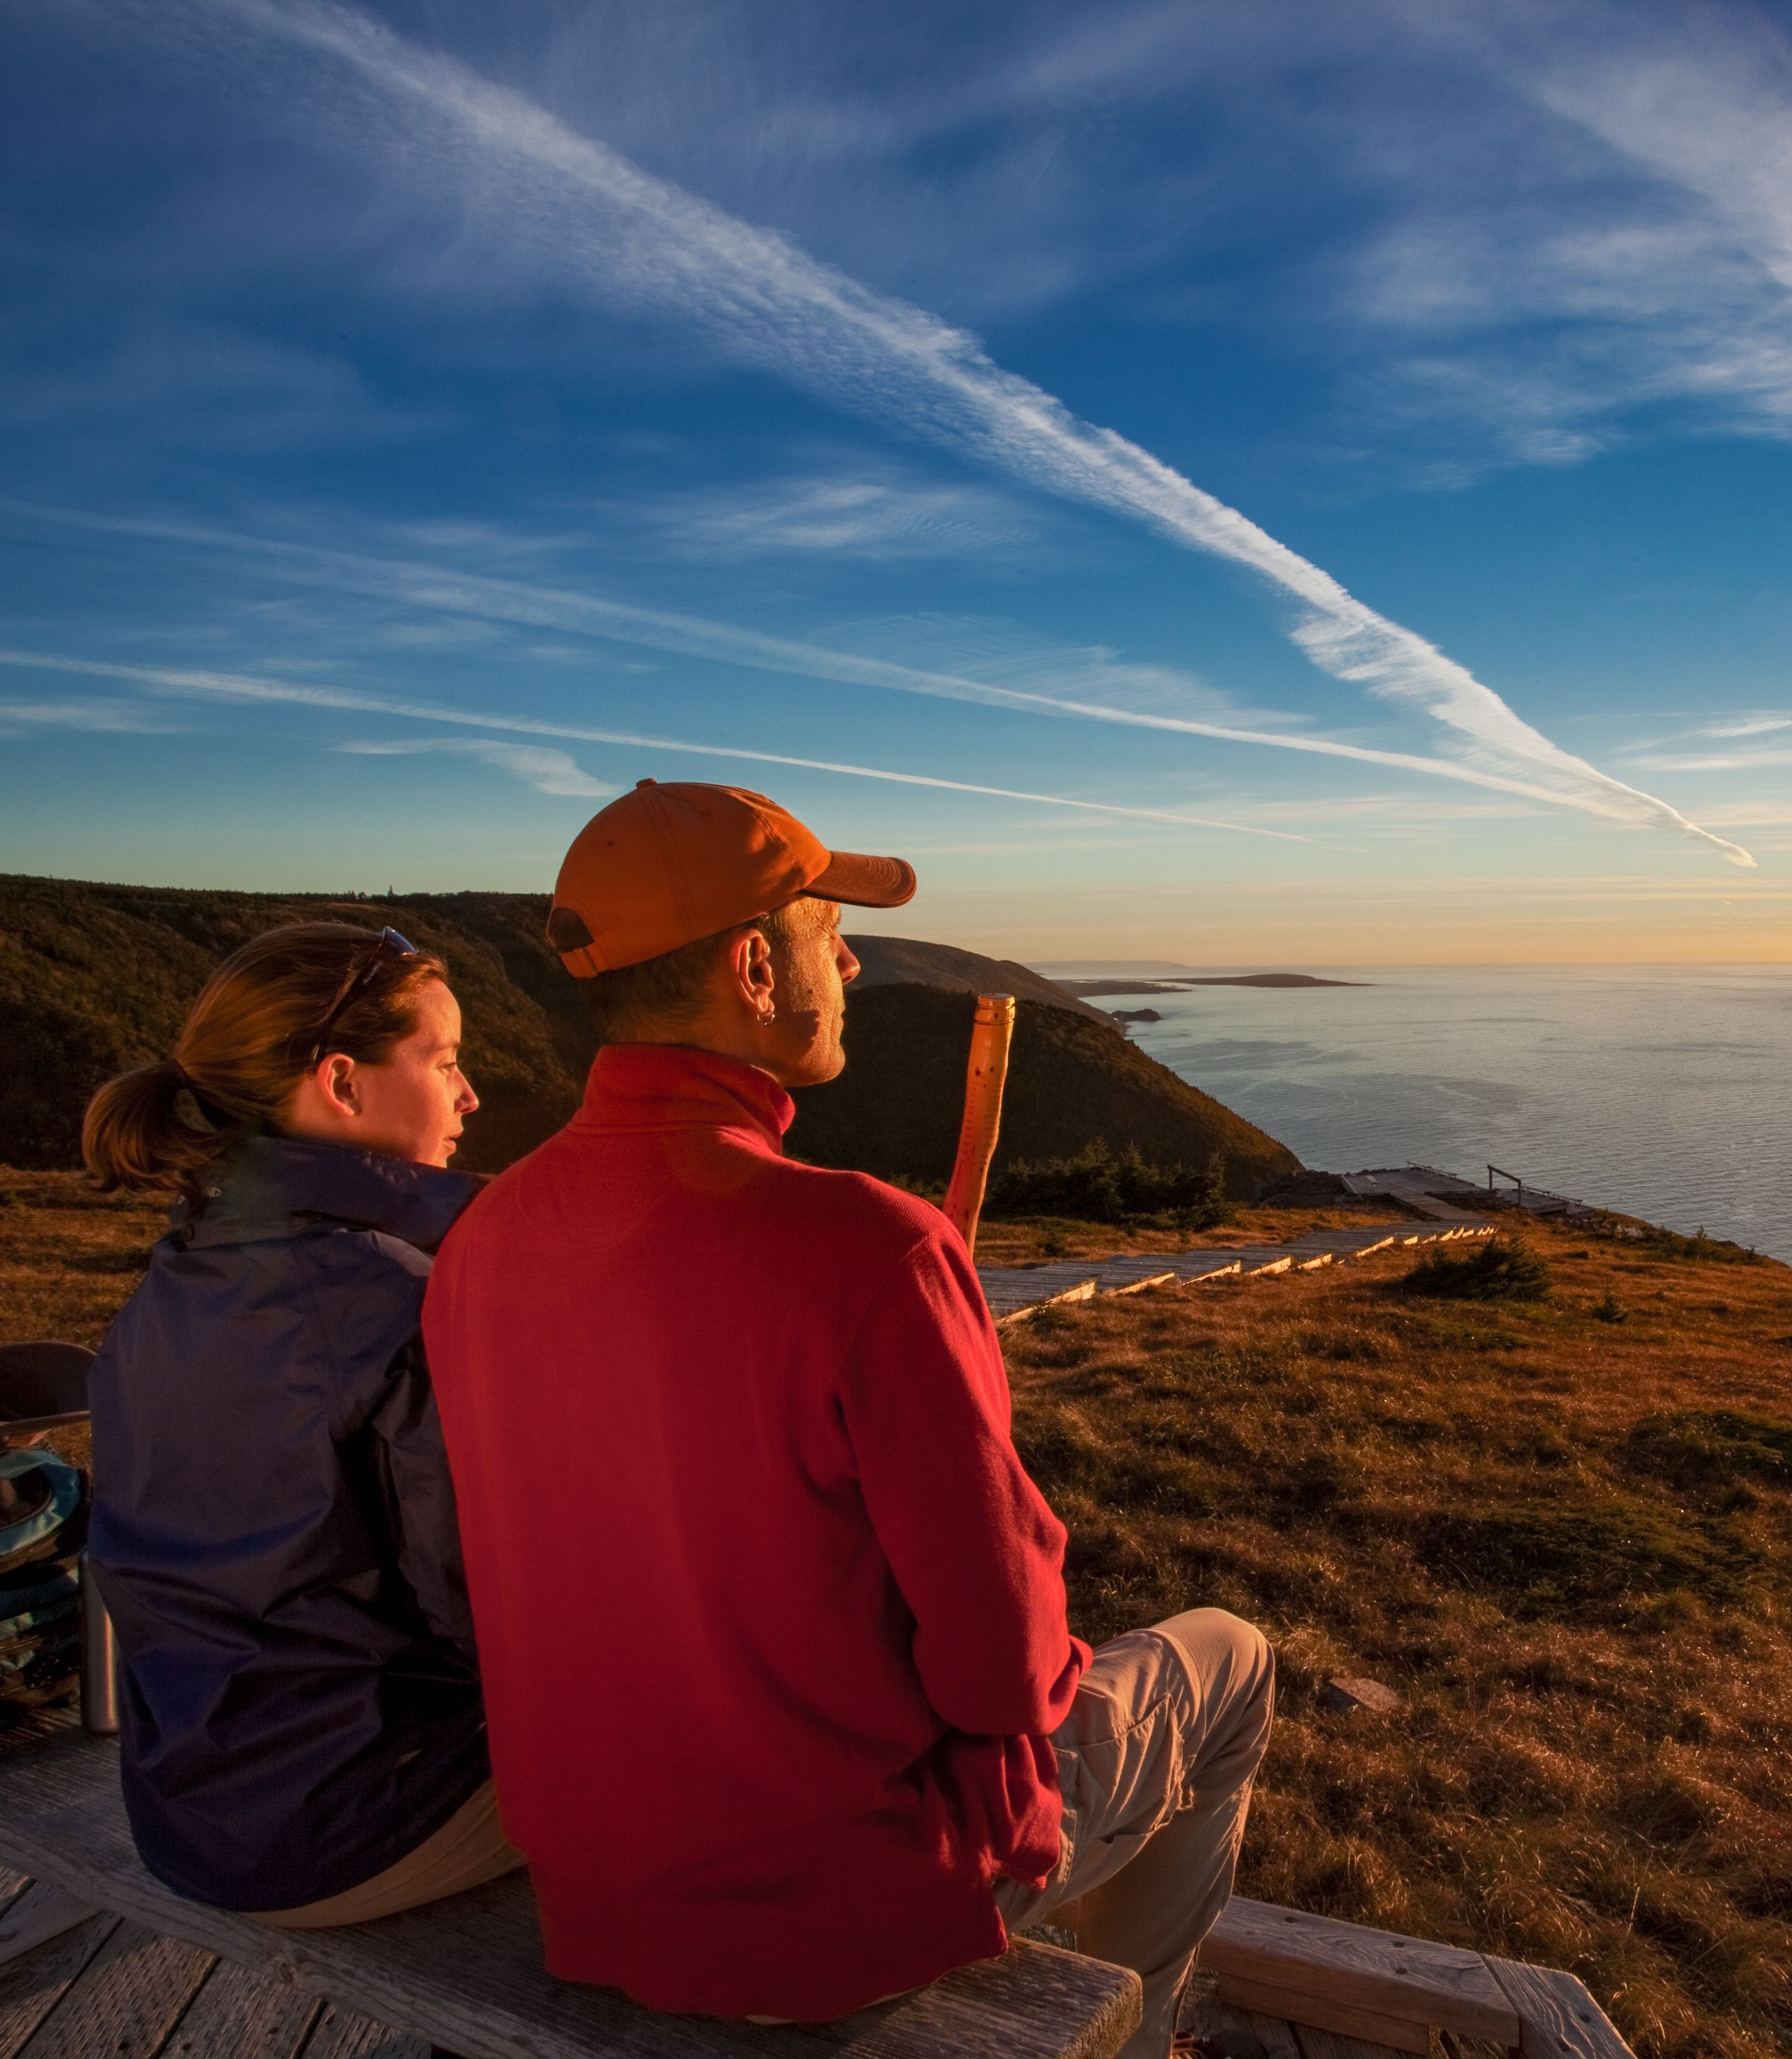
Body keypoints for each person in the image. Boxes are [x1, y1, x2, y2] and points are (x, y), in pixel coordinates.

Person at [423, 781, 1273, 2054]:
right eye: (833, 933)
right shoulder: (866, 1248)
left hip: (596, 1892)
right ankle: (1137, 2034)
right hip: (836, 1914)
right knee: (1228, 1659)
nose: (856, 958)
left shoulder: (478, 1241)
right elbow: (1004, 1673)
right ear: (758, 965)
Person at [82, 922, 521, 1925]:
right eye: (446, 1062)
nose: (469, 1098)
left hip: (187, 1810)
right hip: (356, 1823)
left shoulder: (175, 1275)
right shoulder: (390, 1300)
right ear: (343, 1081)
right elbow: (489, 1617)